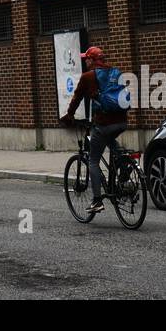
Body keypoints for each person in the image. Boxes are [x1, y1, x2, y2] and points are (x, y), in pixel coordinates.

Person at [60, 46, 128, 215]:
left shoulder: (88, 77)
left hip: (103, 124)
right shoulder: (115, 73)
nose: (85, 62)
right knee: (110, 141)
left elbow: (76, 98)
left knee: (93, 160)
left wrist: (69, 116)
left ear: (91, 60)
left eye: (86, 59)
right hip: (122, 122)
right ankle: (124, 163)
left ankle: (97, 201)